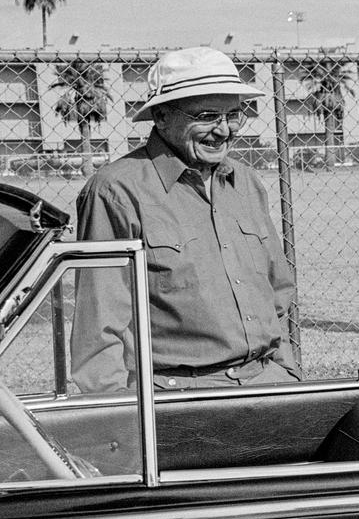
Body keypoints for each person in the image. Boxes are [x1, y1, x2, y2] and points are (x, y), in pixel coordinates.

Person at [71, 46, 300, 392]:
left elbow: (278, 294)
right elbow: (99, 328)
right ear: (161, 117)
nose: (224, 130)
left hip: (269, 383)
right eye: (208, 116)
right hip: (180, 397)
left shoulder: (247, 183)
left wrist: (286, 371)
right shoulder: (116, 192)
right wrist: (117, 425)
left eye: (233, 114)